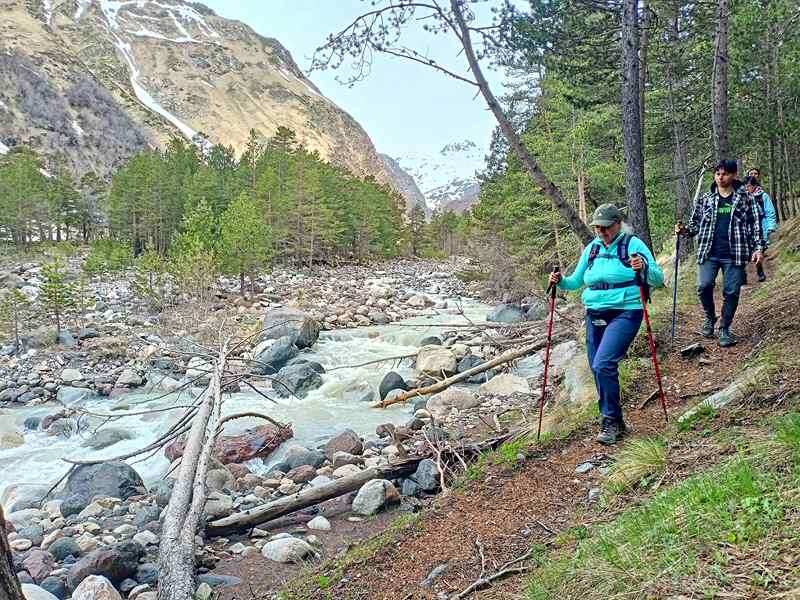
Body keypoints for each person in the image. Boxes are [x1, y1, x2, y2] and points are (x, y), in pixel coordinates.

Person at [549, 203, 664, 445]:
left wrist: (642, 267)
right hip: (594, 313)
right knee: (597, 367)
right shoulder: (592, 249)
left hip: (626, 310)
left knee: (603, 363)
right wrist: (559, 281)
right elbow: (575, 282)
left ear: (618, 224)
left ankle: (609, 421)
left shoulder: (633, 244)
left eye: (605, 227)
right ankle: (616, 420)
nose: (601, 232)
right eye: (597, 228)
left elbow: (657, 278)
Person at [675, 159, 764, 347]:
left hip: (735, 253)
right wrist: (683, 231)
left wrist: (758, 248)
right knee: (703, 286)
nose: (720, 177)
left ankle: (725, 328)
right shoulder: (706, 199)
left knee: (731, 292)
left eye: (724, 174)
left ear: (733, 175)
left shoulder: (746, 198)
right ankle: (710, 317)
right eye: (717, 174)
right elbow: (695, 224)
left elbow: (755, 224)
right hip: (709, 252)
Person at [744, 174, 777, 282]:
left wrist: (770, 227)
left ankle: (760, 270)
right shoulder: (741, 197)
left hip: (761, 226)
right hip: (746, 227)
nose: (746, 188)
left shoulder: (763, 196)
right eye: (745, 186)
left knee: (759, 249)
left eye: (748, 186)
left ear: (754, 185)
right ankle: (742, 274)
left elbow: (770, 212)